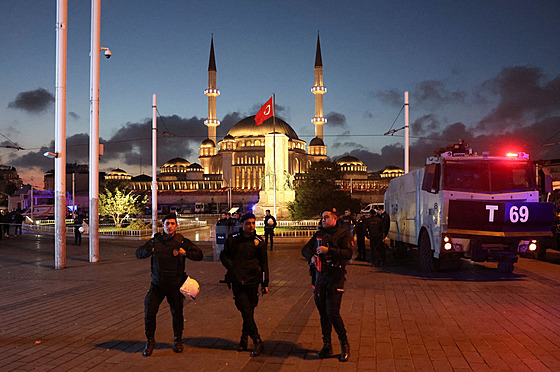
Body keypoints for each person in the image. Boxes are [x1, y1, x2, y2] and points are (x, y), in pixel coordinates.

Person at [136, 214, 203, 357]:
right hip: (158, 284)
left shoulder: (181, 241)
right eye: (167, 224)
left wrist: (186, 253)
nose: (170, 226)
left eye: (172, 224)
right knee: (150, 310)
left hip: (175, 284)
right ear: (163, 225)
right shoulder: (155, 241)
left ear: (176, 226)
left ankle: (178, 340)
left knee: (177, 313)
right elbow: (139, 253)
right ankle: (150, 341)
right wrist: (150, 250)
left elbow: (199, 254)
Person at [302, 209, 352, 362]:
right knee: (323, 313)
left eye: (326, 217)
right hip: (320, 278)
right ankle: (327, 345)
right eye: (322, 217)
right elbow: (305, 250)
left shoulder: (343, 235)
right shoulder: (319, 235)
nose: (323, 219)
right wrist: (311, 257)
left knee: (333, 312)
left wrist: (328, 250)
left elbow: (348, 253)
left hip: (335, 277)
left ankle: (344, 344)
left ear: (335, 219)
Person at [220, 213, 269, 357]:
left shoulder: (259, 241)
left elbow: (264, 263)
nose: (251, 226)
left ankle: (243, 339)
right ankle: (257, 340)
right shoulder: (233, 240)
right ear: (241, 224)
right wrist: (233, 268)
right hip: (238, 281)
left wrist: (265, 283)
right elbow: (224, 256)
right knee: (246, 310)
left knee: (249, 312)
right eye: (248, 223)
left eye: (253, 223)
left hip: (253, 281)